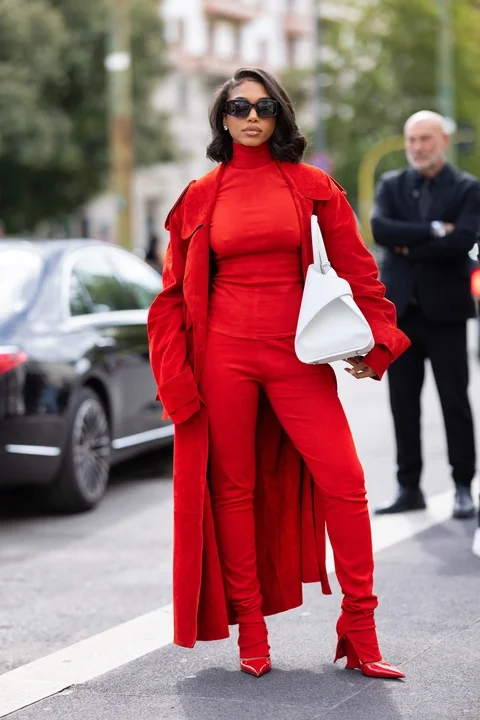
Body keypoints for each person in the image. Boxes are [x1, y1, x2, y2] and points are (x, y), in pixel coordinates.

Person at [148, 67, 409, 679]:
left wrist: (378, 344)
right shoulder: (200, 194)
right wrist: (176, 379)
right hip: (225, 359)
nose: (252, 116)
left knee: (345, 482)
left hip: (297, 357)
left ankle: (361, 629)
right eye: (238, 107)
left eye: (264, 106)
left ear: (280, 113)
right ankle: (253, 632)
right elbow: (169, 298)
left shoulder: (312, 184)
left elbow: (359, 269)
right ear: (222, 118)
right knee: (232, 491)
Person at [371, 111, 479, 519]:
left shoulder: (468, 189)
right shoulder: (391, 184)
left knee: (455, 403)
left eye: (426, 139)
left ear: (443, 141)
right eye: (412, 140)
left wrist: (410, 243)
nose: (418, 147)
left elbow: (464, 240)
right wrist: (437, 230)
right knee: (402, 404)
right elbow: (381, 229)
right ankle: (408, 486)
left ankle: (464, 487)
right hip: (400, 315)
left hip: (447, 314)